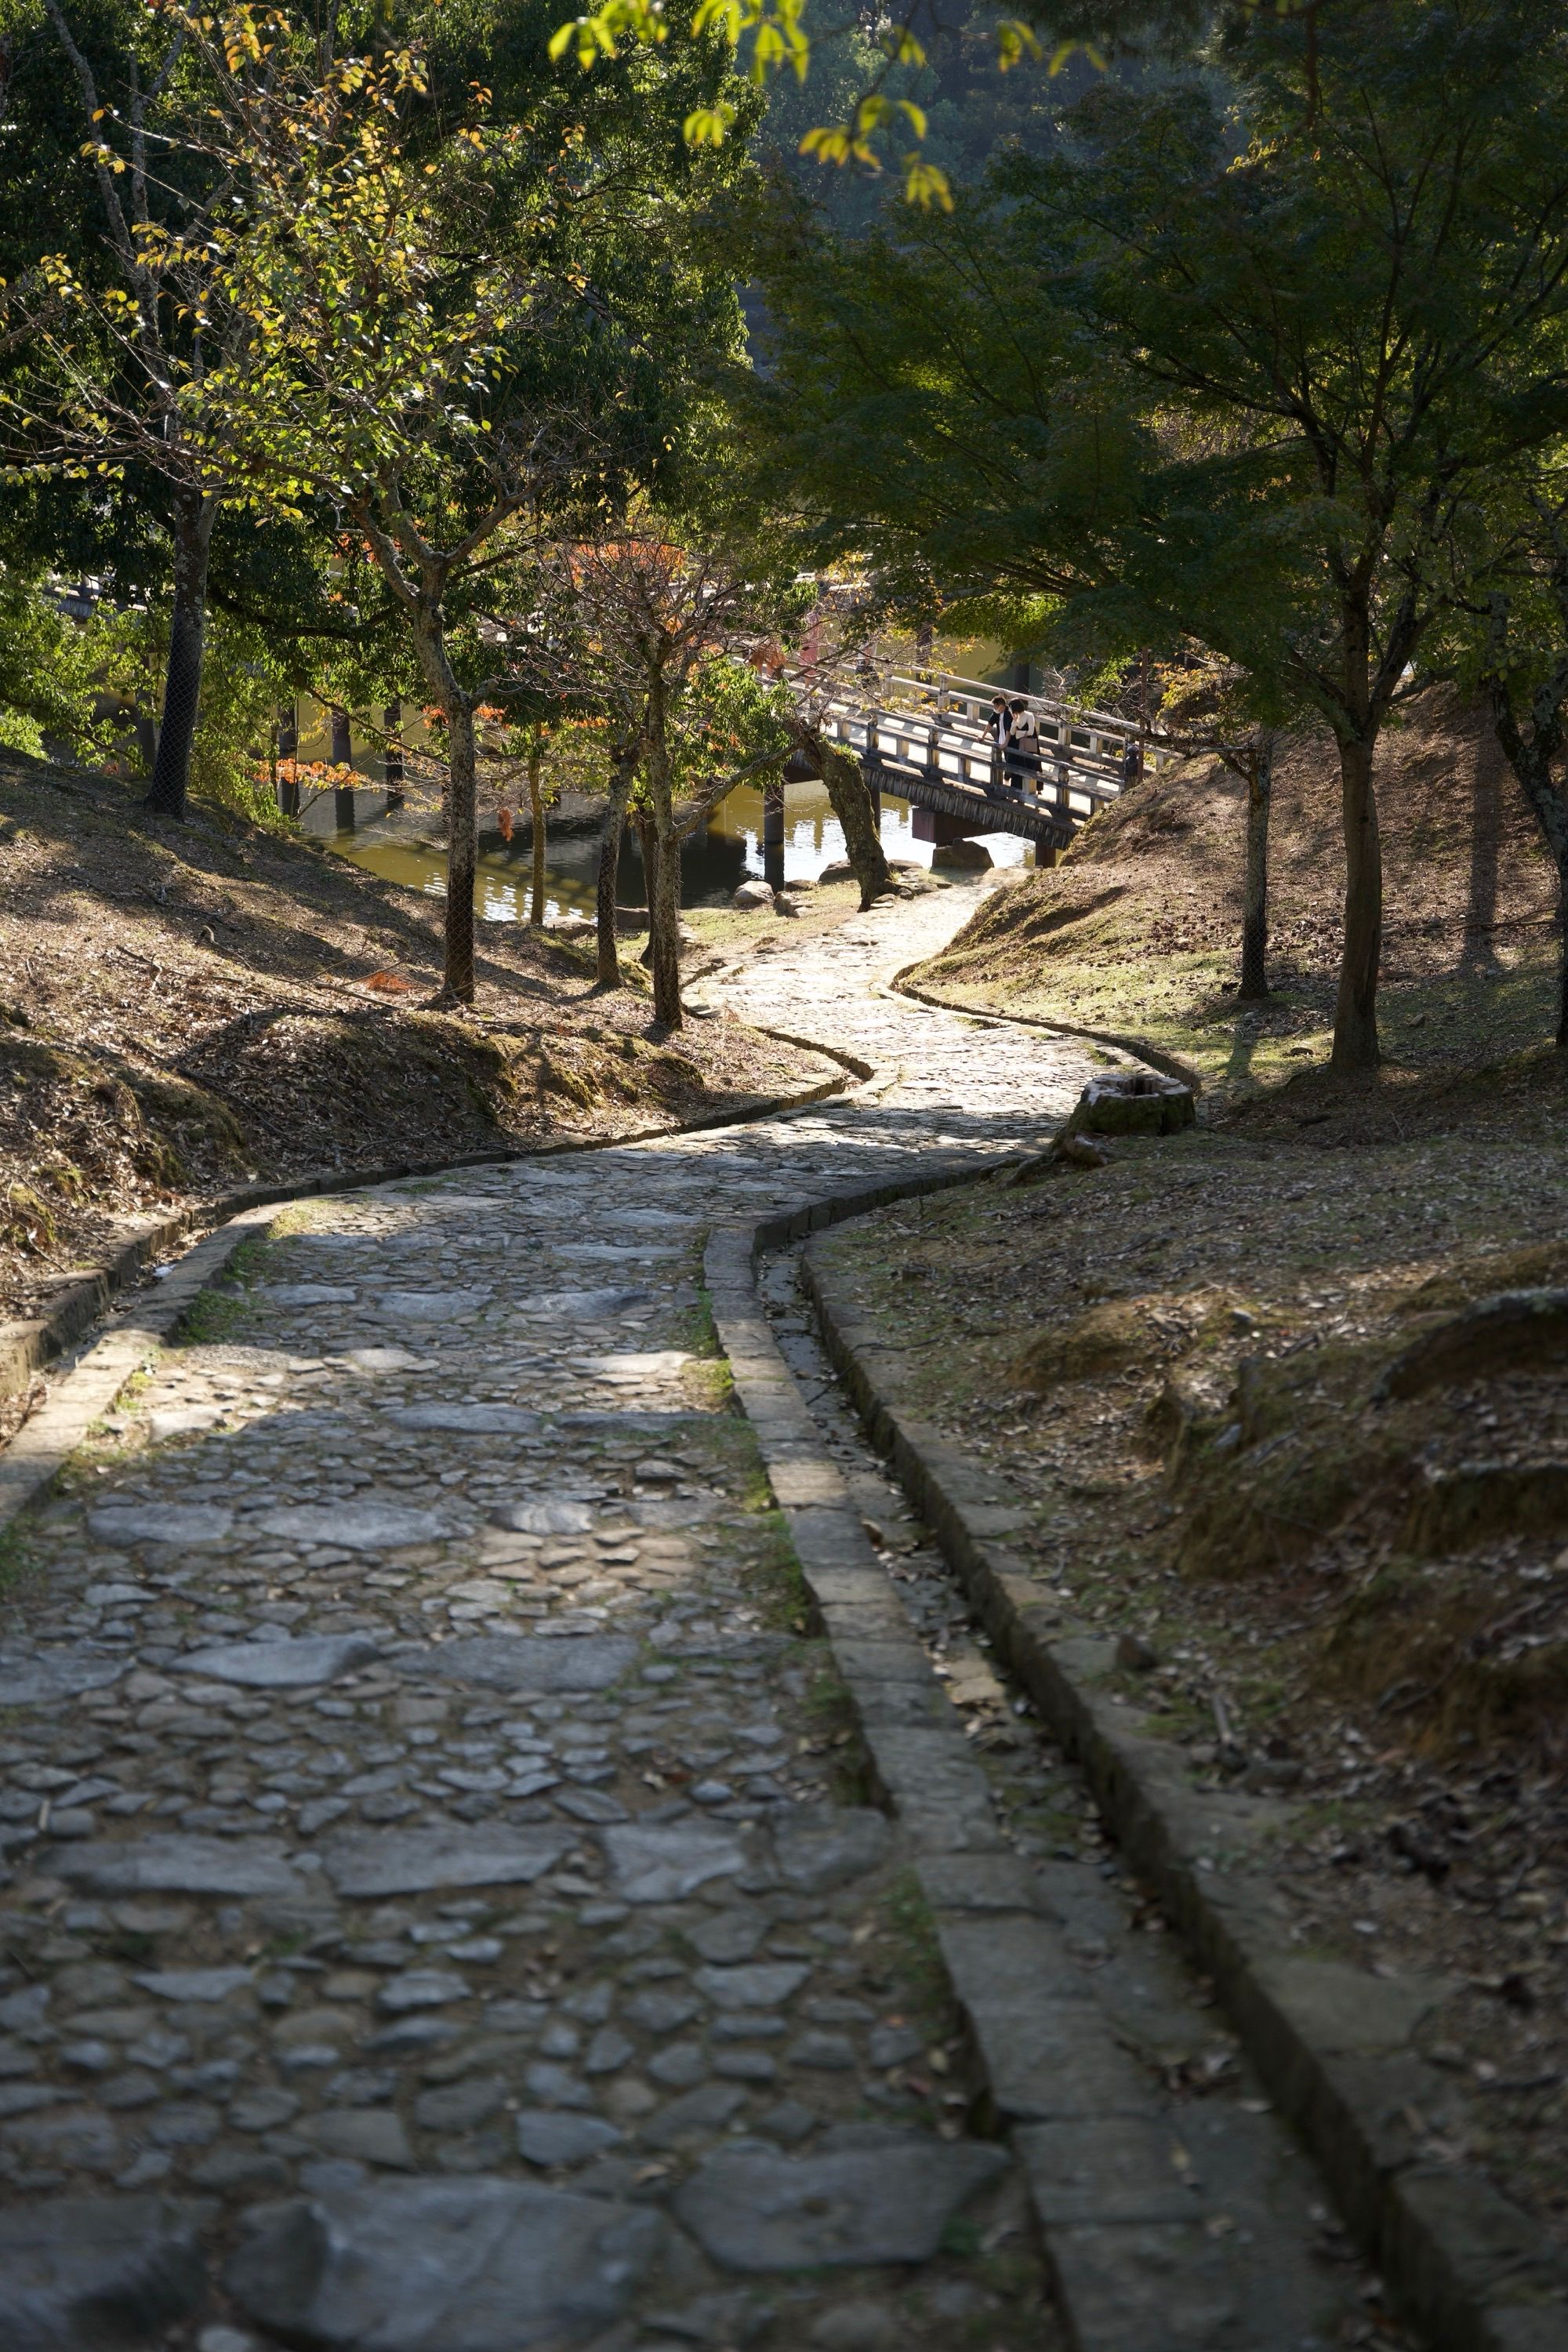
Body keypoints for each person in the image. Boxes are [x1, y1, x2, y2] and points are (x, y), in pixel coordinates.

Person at [1007, 698, 1042, 793]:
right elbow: (1012, 732)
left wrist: (1019, 734)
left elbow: (1031, 731)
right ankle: (1017, 789)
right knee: (1018, 764)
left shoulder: (1029, 715)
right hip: (1018, 744)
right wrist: (1014, 722)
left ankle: (1037, 788)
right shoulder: (1015, 717)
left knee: (1032, 764)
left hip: (1029, 742)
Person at [988, 694, 1010, 796]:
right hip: (1001, 741)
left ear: (1000, 705)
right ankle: (1004, 781)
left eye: (995, 706)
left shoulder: (1008, 714)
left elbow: (1008, 730)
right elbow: (990, 724)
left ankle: (1007, 782)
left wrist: (1006, 743)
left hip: (1008, 742)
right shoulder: (997, 714)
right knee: (1004, 761)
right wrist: (982, 736)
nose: (994, 708)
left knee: (1009, 762)